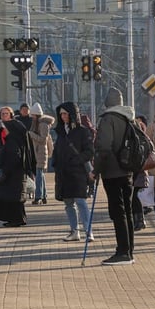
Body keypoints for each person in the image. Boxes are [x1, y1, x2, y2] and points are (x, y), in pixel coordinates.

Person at [93, 87, 136, 265]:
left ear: (107, 102)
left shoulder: (108, 119)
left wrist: (95, 170)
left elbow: (104, 148)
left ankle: (123, 252)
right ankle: (129, 250)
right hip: (128, 170)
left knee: (117, 212)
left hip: (112, 172)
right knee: (127, 210)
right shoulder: (128, 118)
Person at [53, 101, 95, 242]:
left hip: (78, 173)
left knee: (80, 201)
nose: (63, 116)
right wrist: (55, 163)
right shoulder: (60, 131)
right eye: (61, 114)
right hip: (63, 173)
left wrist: (77, 160)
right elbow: (57, 150)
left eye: (65, 114)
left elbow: (89, 151)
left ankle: (88, 231)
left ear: (72, 114)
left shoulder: (82, 131)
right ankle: (74, 231)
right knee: (68, 203)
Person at [0, 106, 34, 227]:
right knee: (7, 194)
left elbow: (17, 144)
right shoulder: (1, 127)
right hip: (6, 164)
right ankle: (11, 218)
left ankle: (17, 219)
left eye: (6, 113)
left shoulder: (15, 126)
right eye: (2, 114)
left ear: (11, 115)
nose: (4, 115)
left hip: (15, 166)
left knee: (14, 195)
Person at [27, 102, 55, 205]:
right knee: (40, 174)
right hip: (38, 152)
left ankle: (39, 196)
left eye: (33, 115)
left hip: (41, 152)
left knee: (39, 175)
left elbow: (43, 139)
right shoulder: (38, 123)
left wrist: (32, 134)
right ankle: (43, 196)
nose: (32, 117)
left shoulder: (43, 124)